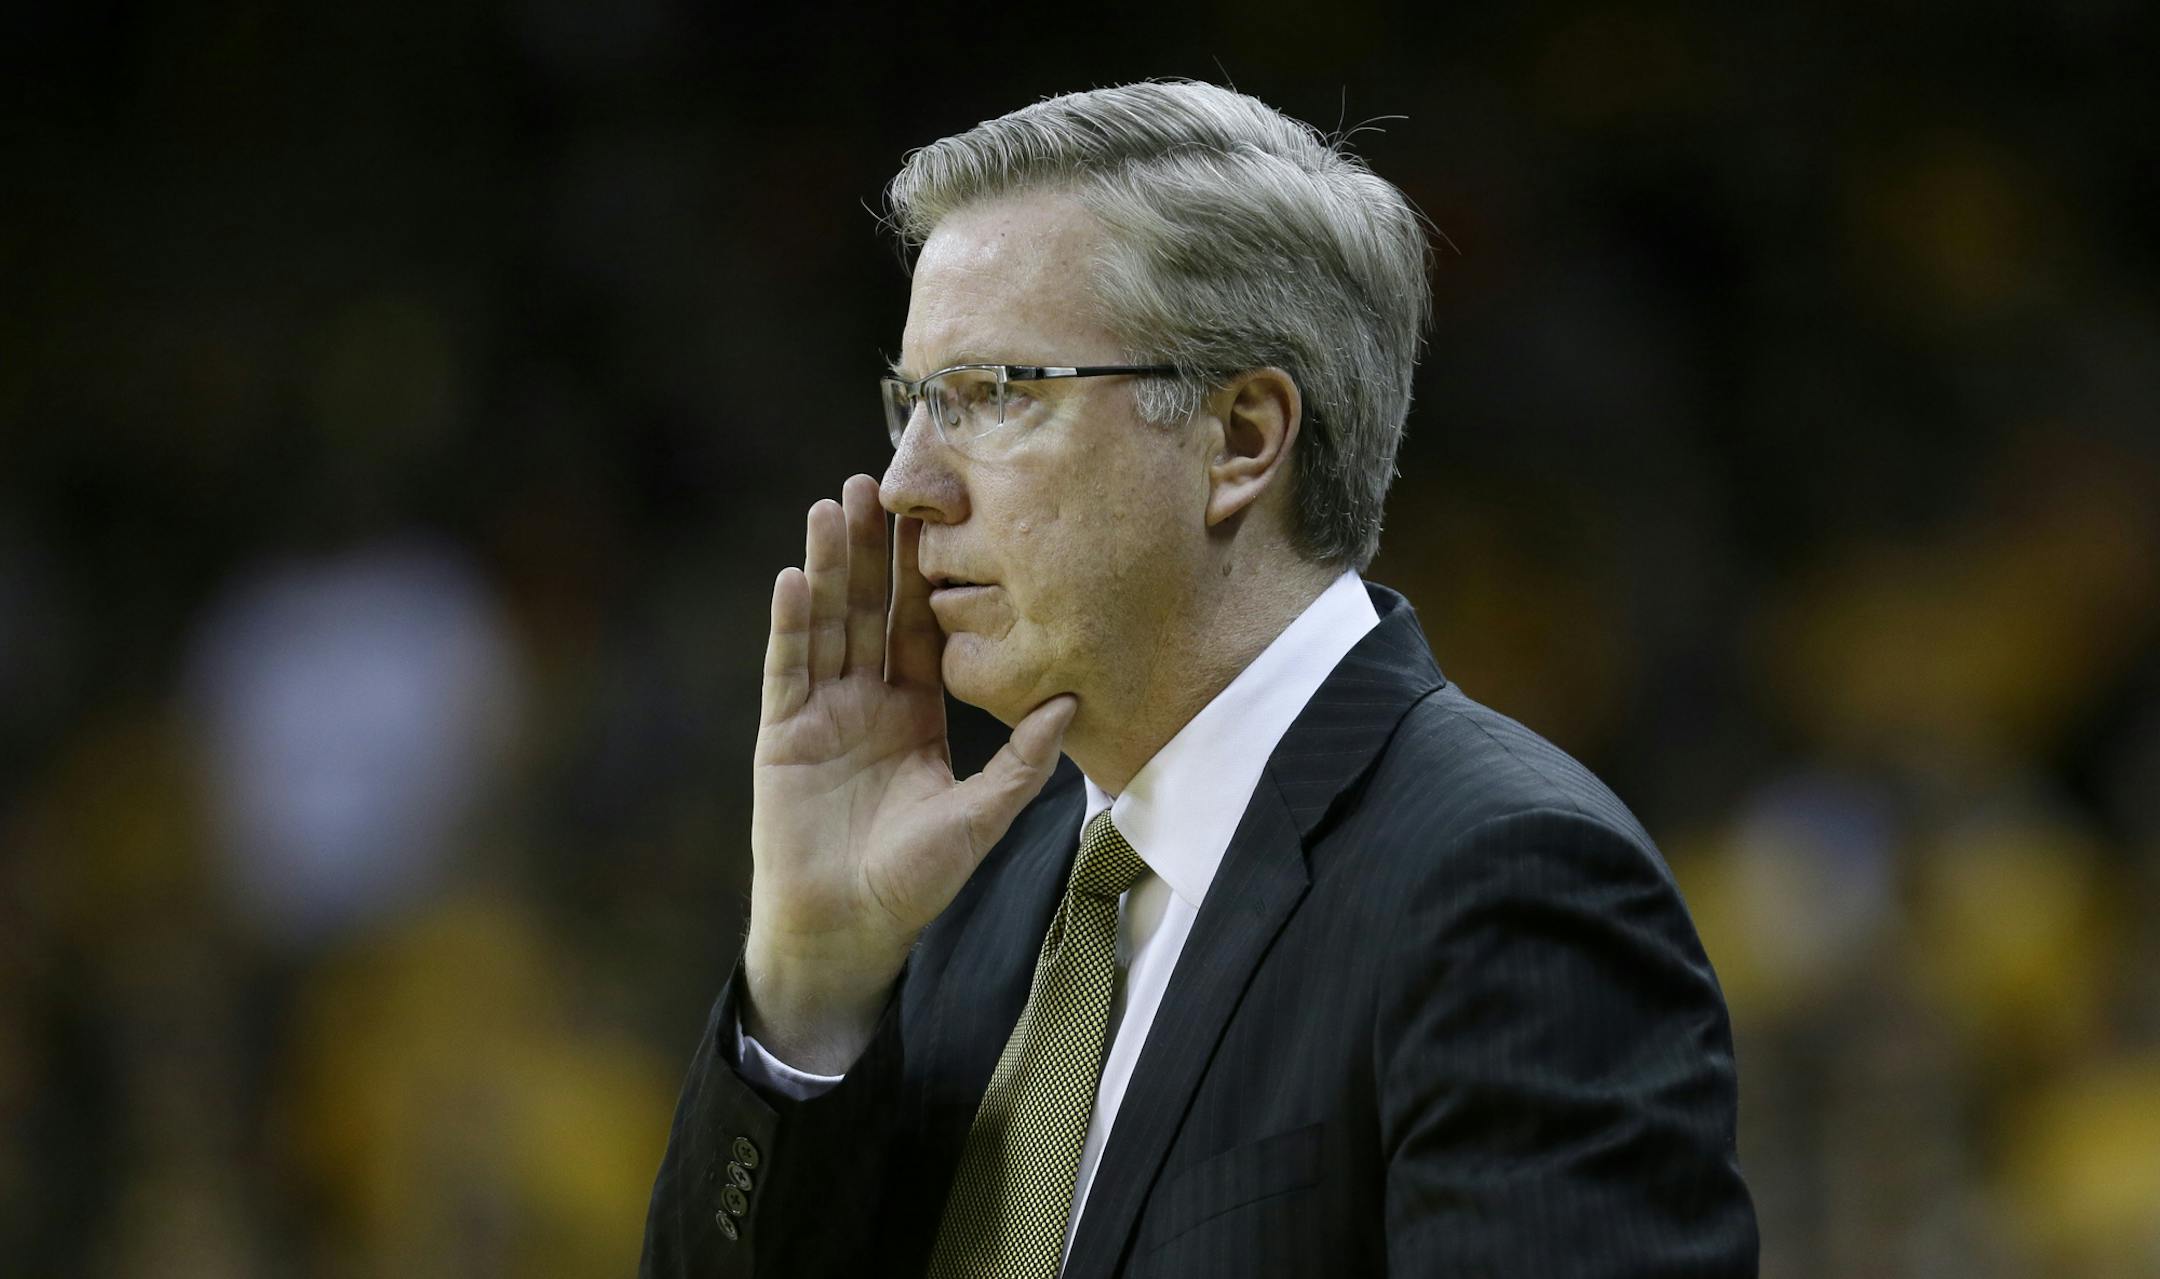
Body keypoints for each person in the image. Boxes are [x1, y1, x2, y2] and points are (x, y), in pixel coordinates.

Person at [640, 80, 1757, 1278]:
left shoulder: (1506, 886)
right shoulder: (958, 899)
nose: (909, 485)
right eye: (913, 403)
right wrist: (810, 980)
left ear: (1239, 439)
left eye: (992, 397)